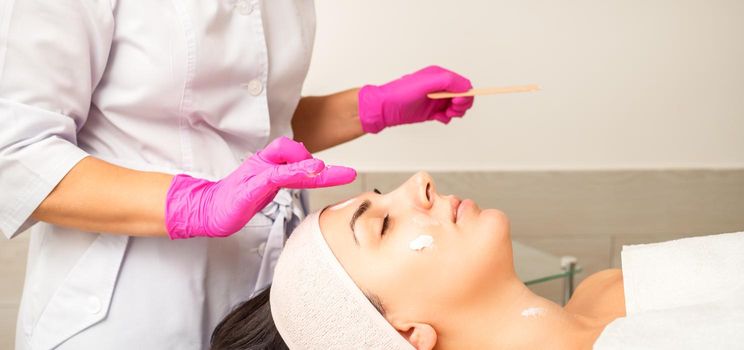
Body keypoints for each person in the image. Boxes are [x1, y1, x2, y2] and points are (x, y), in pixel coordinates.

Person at [0, 2, 474, 349]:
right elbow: (15, 155)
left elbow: (258, 130)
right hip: (124, 310)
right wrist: (196, 205)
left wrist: (371, 108)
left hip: (266, 295)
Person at [211, 172, 744, 349]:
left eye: (382, 193)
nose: (420, 182)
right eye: (383, 224)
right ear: (405, 334)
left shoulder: (604, 289)